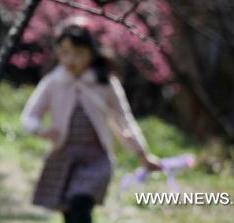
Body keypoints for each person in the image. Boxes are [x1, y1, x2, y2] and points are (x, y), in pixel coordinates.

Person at [20, 17, 162, 223]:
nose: (71, 60)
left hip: (96, 159)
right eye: (65, 53)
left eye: (79, 53)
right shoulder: (53, 82)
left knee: (81, 203)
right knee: (69, 211)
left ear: (92, 53)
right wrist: (40, 130)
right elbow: (29, 116)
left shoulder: (105, 84)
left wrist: (142, 153)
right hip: (64, 157)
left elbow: (124, 119)